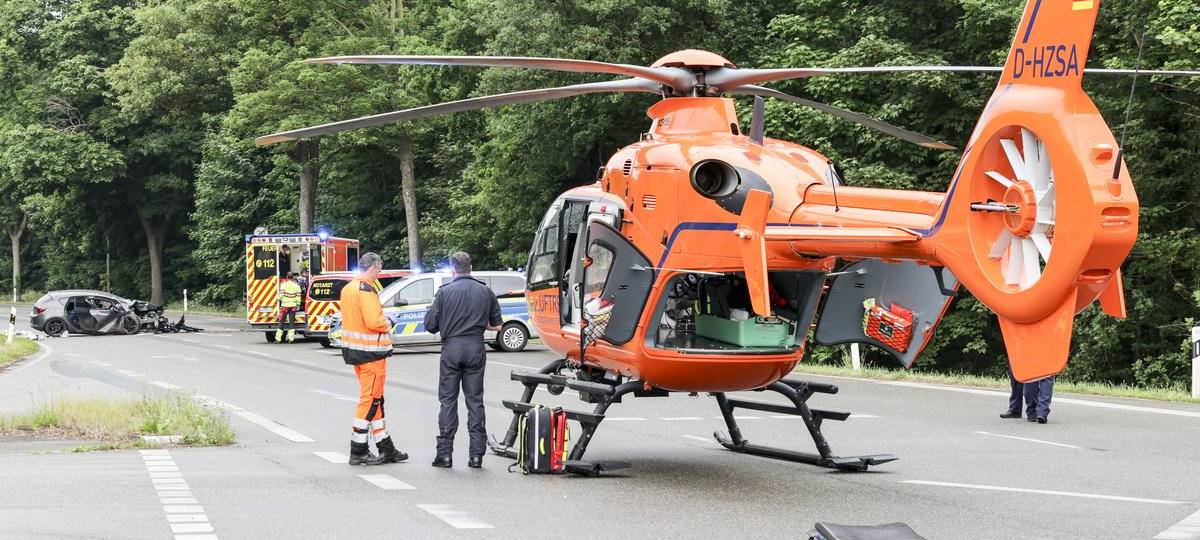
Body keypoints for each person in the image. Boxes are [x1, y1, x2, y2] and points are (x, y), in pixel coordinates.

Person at [424, 251, 502, 469]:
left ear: (452, 269)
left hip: (452, 348)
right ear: (471, 267)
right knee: (475, 401)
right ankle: (476, 455)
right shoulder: (485, 291)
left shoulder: (444, 292)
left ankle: (445, 454)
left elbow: (431, 326)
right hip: (476, 347)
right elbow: (497, 325)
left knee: (448, 401)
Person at [340, 252, 408, 465]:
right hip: (372, 353)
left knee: (375, 400)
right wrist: (389, 319)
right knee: (370, 400)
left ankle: (386, 447)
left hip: (356, 352)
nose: (379, 274)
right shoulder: (366, 290)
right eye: (379, 270)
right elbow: (374, 321)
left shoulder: (348, 288)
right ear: (372, 268)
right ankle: (358, 449)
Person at [276, 272, 303, 343]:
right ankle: (291, 339)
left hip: (285, 306)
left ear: (287, 277)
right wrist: (298, 304)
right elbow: (298, 296)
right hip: (293, 306)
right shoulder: (296, 286)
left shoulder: (283, 285)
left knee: (281, 322)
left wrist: (278, 299)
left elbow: (281, 295)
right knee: (292, 322)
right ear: (293, 277)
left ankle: (278, 339)